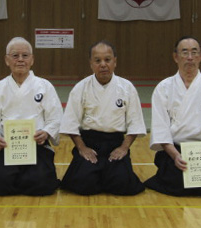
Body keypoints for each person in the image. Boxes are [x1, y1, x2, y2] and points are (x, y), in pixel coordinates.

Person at [146, 36, 201, 196]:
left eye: (194, 52)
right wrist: (175, 155)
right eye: (184, 52)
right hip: (175, 150)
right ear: (175, 57)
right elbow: (161, 128)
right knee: (177, 186)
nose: (190, 57)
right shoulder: (164, 88)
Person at [60, 40, 146, 195]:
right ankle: (99, 175)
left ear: (115, 62)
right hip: (90, 142)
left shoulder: (127, 88)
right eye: (97, 60)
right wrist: (82, 148)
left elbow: (135, 123)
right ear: (91, 64)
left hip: (115, 143)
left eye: (107, 60)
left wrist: (123, 148)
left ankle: (106, 175)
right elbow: (70, 124)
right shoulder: (81, 87)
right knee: (83, 184)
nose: (103, 65)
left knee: (123, 184)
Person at [0, 37, 62, 196]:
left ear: (32, 60)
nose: (20, 60)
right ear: (6, 60)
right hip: (8, 147)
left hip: (36, 146)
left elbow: (55, 118)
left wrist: (46, 132)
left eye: (25, 56)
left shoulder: (44, 86)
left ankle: (26, 177)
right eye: (15, 55)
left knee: (41, 184)